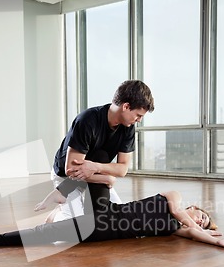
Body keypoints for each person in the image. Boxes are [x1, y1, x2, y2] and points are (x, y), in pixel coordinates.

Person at [0, 179, 224, 252]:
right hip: (107, 212)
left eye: (204, 222)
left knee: (39, 237)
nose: (199, 220)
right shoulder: (176, 200)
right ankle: (60, 194)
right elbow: (183, 215)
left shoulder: (175, 228)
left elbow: (192, 232)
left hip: (99, 232)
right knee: (101, 177)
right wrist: (206, 229)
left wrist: (217, 241)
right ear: (195, 208)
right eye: (202, 215)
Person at [41, 79, 154, 221]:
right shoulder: (87, 121)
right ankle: (56, 215)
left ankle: (71, 207)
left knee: (120, 219)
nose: (139, 120)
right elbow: (71, 170)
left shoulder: (128, 128)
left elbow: (122, 169)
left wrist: (96, 167)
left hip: (95, 173)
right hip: (67, 178)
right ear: (126, 106)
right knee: (74, 227)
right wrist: (105, 178)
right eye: (138, 115)